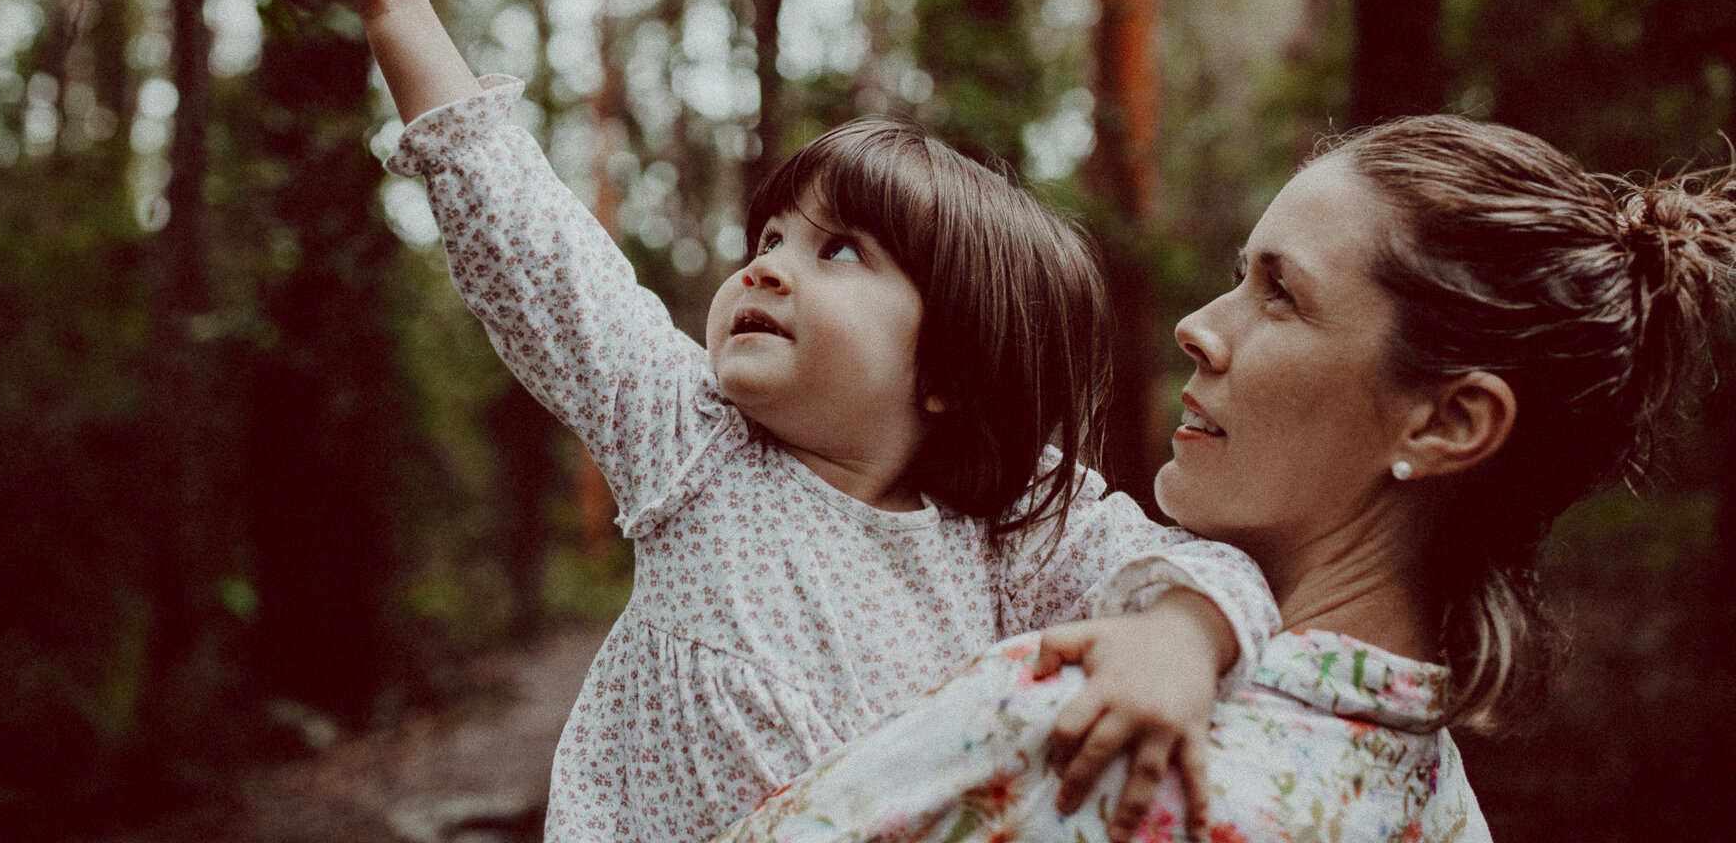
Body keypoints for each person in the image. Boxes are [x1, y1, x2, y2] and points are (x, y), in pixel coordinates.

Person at [293, 0, 1282, 842]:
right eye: (770, 239)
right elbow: (534, 248)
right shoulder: (693, 442)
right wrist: (400, 13)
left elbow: (1198, 569)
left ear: (948, 365)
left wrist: (1180, 642)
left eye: (839, 252)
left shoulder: (1007, 528)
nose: (767, 267)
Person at [715, 113, 1736, 842]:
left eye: (1280, 294)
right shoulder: (1440, 805)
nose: (1199, 328)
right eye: (1240, 275)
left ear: (1449, 420)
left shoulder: (1091, 736)